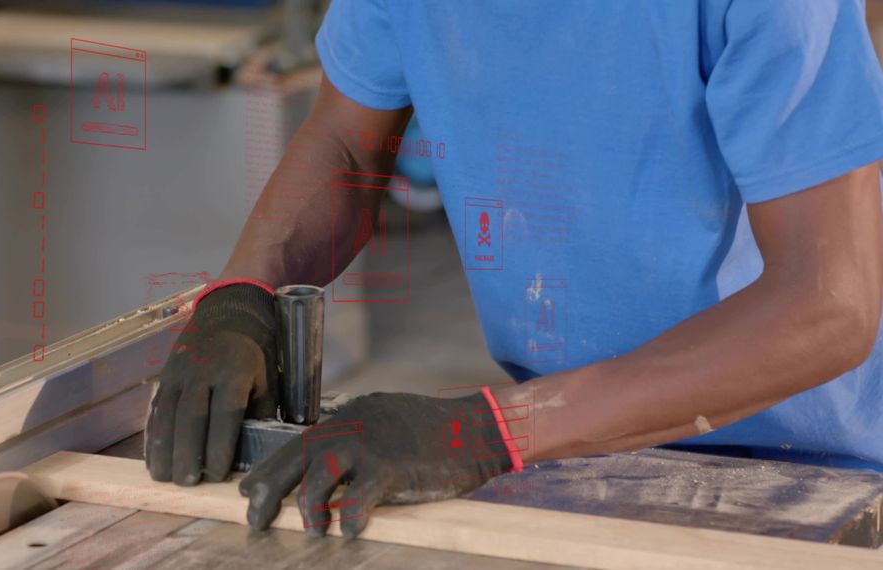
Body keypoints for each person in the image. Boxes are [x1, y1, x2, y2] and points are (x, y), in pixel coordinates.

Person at [146, 0, 883, 539]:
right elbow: (345, 146)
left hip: (805, 473)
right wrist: (242, 297)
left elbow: (824, 306)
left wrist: (485, 429)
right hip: (565, 450)